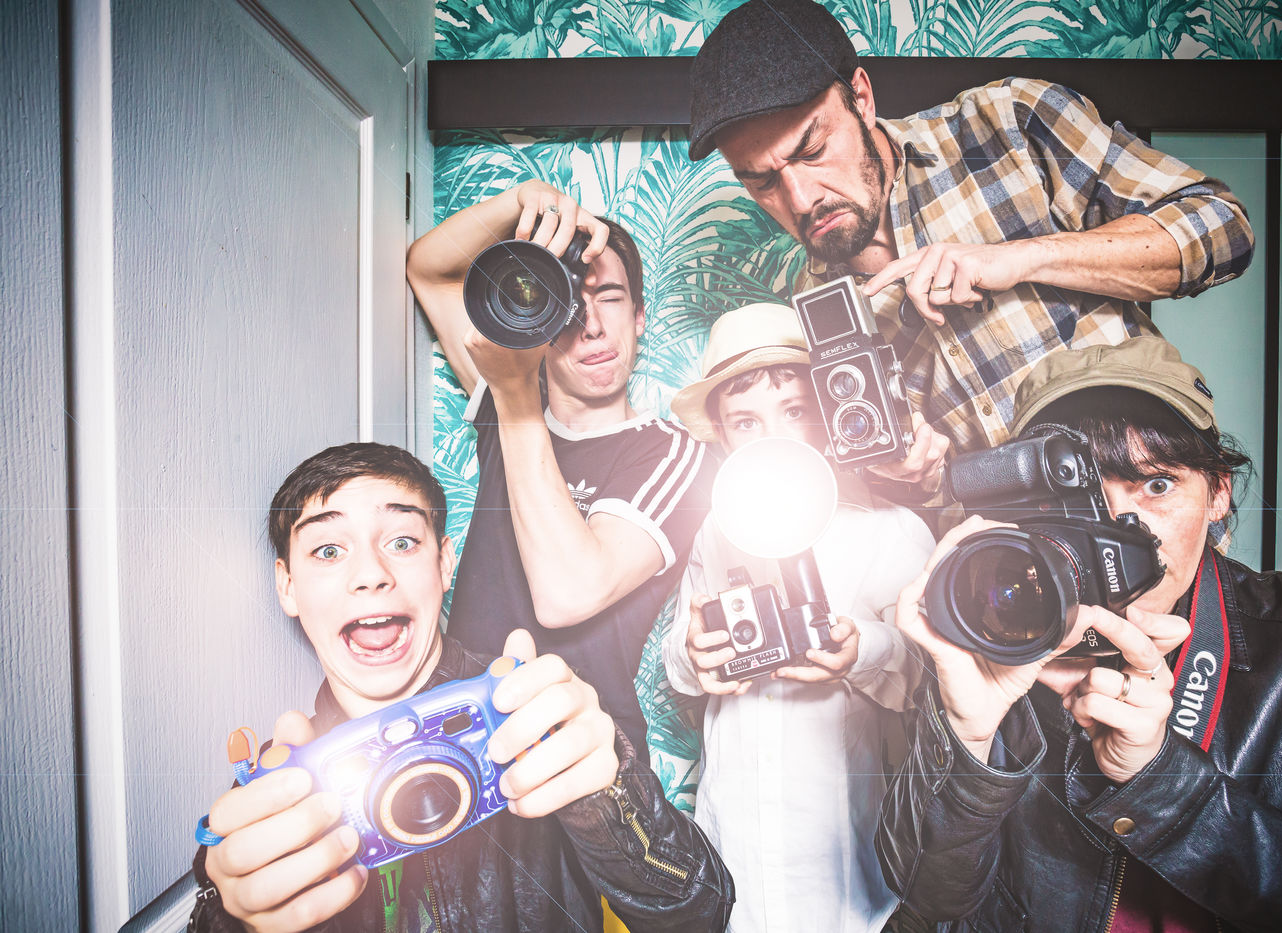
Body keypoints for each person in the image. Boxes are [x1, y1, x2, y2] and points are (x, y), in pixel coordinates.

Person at [875, 337, 1282, 931]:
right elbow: (926, 900)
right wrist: (966, 737)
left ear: (1218, 493)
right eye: (1079, 498)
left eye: (1156, 486)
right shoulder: (989, 629)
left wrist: (1159, 778)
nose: (1123, 531)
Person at [687, 0, 1255, 501]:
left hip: (1154, 513)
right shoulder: (814, 304)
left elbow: (1222, 228)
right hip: (1011, 568)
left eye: (812, 150)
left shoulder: (1008, 123)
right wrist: (912, 475)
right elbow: (921, 496)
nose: (800, 198)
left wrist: (1022, 257)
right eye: (762, 181)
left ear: (861, 97)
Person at [187, 442, 733, 932]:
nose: (371, 574)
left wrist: (606, 795)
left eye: (402, 541)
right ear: (287, 586)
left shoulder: (540, 714)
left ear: (444, 564)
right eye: (328, 550)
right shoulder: (278, 796)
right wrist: (234, 920)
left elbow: (701, 915)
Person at [406, 181, 714, 757]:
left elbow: (567, 595)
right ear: (538, 318)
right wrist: (524, 201)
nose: (592, 326)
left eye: (611, 297)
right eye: (567, 302)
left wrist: (515, 391)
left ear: (639, 317)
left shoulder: (675, 456)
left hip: (583, 751)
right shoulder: (507, 397)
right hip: (461, 735)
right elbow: (430, 270)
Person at [661, 302, 934, 932]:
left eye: (796, 411)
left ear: (831, 413)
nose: (775, 438)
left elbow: (931, 679)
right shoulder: (716, 530)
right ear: (722, 435)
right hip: (731, 854)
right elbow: (680, 658)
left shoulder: (890, 530)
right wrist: (694, 653)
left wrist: (863, 649)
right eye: (746, 421)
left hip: (841, 875)